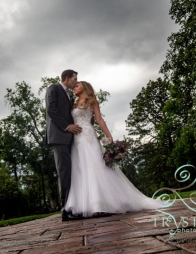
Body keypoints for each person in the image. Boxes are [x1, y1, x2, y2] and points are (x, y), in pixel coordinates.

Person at [64, 81, 163, 218]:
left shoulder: (92, 101)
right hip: (77, 140)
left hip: (88, 137)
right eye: (74, 85)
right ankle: (84, 204)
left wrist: (109, 136)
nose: (74, 87)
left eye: (77, 85)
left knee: (96, 167)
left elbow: (99, 119)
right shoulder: (73, 103)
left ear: (85, 87)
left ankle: (100, 204)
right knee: (80, 169)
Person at [45, 69, 82, 221]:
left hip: (69, 139)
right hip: (59, 136)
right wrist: (67, 127)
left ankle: (74, 206)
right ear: (67, 78)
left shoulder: (69, 95)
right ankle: (65, 210)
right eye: (75, 79)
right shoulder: (54, 88)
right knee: (64, 172)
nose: (76, 81)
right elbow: (51, 110)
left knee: (71, 172)